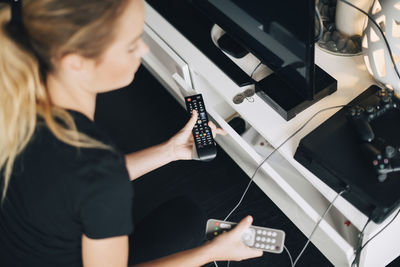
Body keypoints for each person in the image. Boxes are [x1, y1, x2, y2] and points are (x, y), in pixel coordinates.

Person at [0, 0, 263, 266]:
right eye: (131, 44)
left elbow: (75, 182)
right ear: (76, 63)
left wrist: (169, 151)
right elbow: (92, 180)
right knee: (188, 220)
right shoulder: (95, 168)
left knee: (184, 218)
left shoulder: (13, 105)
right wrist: (211, 253)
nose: (144, 48)